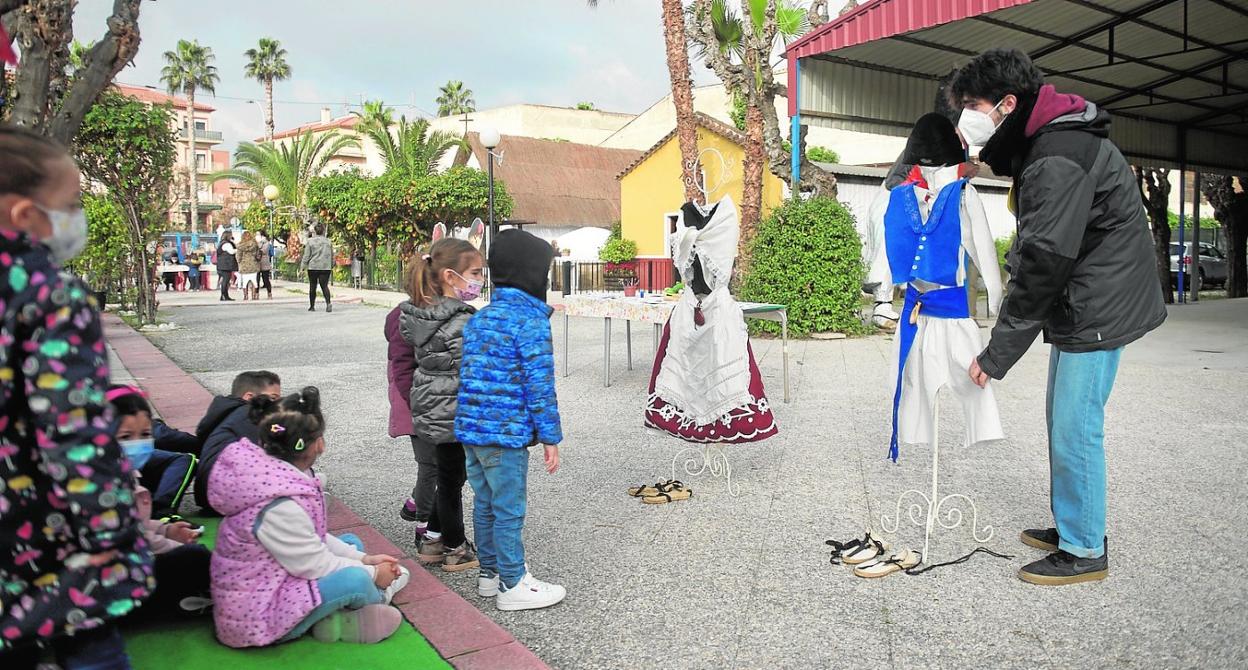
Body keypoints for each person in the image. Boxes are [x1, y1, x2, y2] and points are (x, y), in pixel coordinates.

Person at [951, 49, 1166, 585]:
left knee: (1076, 426)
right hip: (1088, 294)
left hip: (1100, 302)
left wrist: (996, 355)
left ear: (1006, 104)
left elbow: (1045, 262)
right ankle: (1075, 521)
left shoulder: (1057, 154)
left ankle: (1085, 547)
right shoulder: (1047, 143)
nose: (966, 117)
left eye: (973, 105)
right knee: (1061, 417)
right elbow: (1039, 242)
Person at [0, 126, 154, 668]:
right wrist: (111, 533)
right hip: (50, 538)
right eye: (70, 204)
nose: (76, 217)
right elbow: (74, 432)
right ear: (25, 215)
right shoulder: (52, 296)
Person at [209, 387, 408, 647]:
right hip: (258, 620)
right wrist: (372, 573)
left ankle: (334, 615)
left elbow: (311, 538)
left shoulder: (268, 473)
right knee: (357, 579)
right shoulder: (279, 505)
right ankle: (376, 598)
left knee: (350, 542)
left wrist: (363, 558)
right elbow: (313, 563)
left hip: (269, 586)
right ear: (319, 444)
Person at [455, 229, 564, 611]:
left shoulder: (480, 319)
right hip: (506, 436)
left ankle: (490, 574)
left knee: (484, 502)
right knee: (509, 508)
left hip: (472, 432)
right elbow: (540, 386)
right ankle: (513, 583)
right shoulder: (530, 322)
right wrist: (550, 437)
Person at [399, 239, 484, 570]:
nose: (480, 280)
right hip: (454, 407)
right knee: (451, 480)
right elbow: (473, 368)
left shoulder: (421, 314)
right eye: (475, 273)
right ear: (450, 276)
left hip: (432, 403)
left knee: (448, 474)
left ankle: (432, 539)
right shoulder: (461, 320)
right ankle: (456, 546)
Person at [106, 385, 212, 620]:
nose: (138, 444)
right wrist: (176, 546)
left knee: (193, 560)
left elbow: (139, 525)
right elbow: (135, 538)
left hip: (123, 571)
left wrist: (167, 529)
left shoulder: (126, 474)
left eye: (145, 435)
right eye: (125, 437)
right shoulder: (101, 487)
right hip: (106, 588)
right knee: (194, 559)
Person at [193, 370, 282, 515]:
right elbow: (268, 452)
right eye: (273, 398)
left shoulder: (227, 414)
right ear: (249, 397)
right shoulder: (248, 413)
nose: (277, 405)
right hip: (224, 492)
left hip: (211, 491)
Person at [301, 223, 334, 312]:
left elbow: (306, 255)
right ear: (323, 231)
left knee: (312, 286)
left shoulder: (310, 241)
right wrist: (332, 264)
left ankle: (312, 306)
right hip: (325, 267)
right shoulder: (328, 241)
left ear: (315, 231)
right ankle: (328, 303)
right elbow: (332, 255)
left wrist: (302, 267)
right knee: (324, 286)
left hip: (313, 267)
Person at [236, 230, 262, 301]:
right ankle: (253, 296)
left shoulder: (240, 246)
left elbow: (238, 256)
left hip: (244, 265)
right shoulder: (255, 244)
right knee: (254, 281)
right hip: (253, 264)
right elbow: (258, 255)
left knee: (245, 282)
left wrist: (239, 262)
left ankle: (245, 296)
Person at [216, 230, 238, 302]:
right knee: (225, 281)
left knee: (226, 280)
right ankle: (224, 295)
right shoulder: (226, 244)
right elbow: (231, 251)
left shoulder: (221, 243)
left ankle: (225, 295)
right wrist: (237, 250)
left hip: (222, 264)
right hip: (225, 265)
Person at [257, 231, 274, 299]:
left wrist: (259, 247)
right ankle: (256, 293)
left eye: (258, 234)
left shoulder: (266, 243)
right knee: (256, 279)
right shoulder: (256, 243)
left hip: (264, 262)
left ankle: (269, 293)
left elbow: (264, 251)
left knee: (265, 279)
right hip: (257, 263)